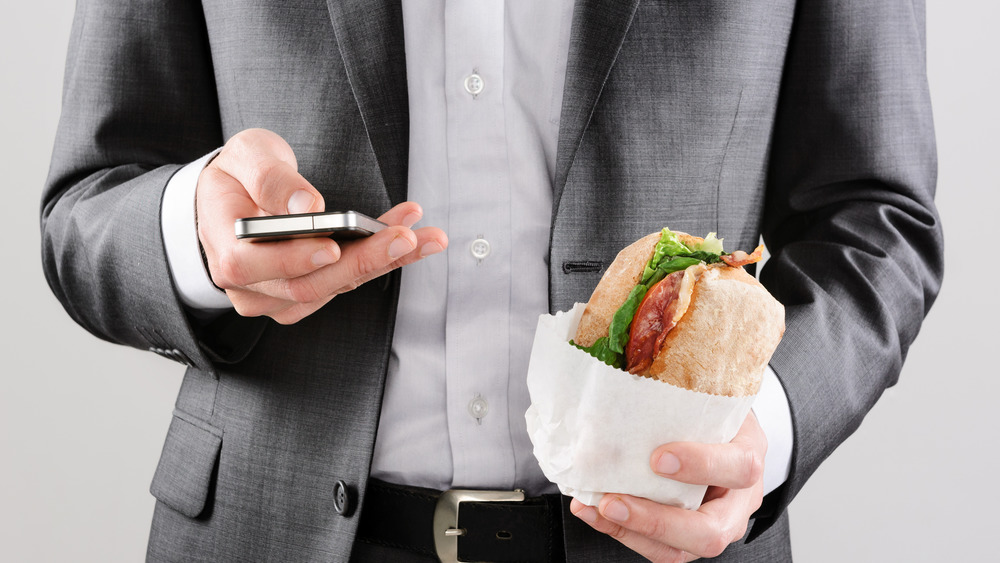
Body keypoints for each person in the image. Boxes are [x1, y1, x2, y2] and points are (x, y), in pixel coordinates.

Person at [41, 1, 942, 561]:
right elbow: (89, 203)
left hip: (665, 547)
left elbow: (875, 218)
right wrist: (197, 235)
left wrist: (756, 441)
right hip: (263, 533)